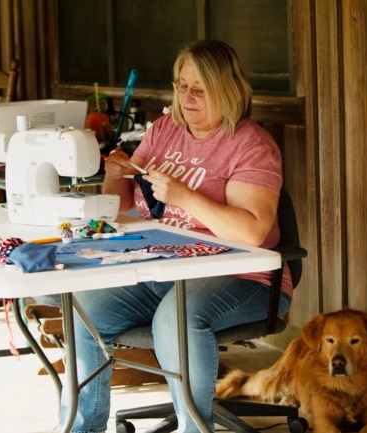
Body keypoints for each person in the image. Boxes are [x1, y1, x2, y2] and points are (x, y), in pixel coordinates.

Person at [60, 39, 294, 433]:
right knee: (83, 309)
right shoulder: (166, 130)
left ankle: (193, 428)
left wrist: (187, 197)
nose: (187, 96)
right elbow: (123, 209)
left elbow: (253, 231)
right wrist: (117, 174)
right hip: (164, 266)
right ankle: (81, 428)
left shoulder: (250, 144)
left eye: (199, 89)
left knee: (177, 318)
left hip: (244, 277)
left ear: (228, 89)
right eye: (181, 85)